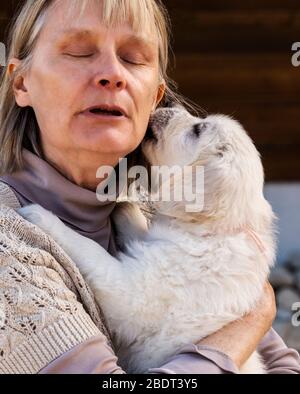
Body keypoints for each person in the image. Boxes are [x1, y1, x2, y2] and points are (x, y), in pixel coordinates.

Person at [0, 0, 299, 374]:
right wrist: (248, 325)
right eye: (79, 51)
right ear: (22, 82)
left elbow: (284, 366)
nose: (112, 74)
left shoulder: (169, 210)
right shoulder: (7, 240)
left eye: (134, 57)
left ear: (155, 97)